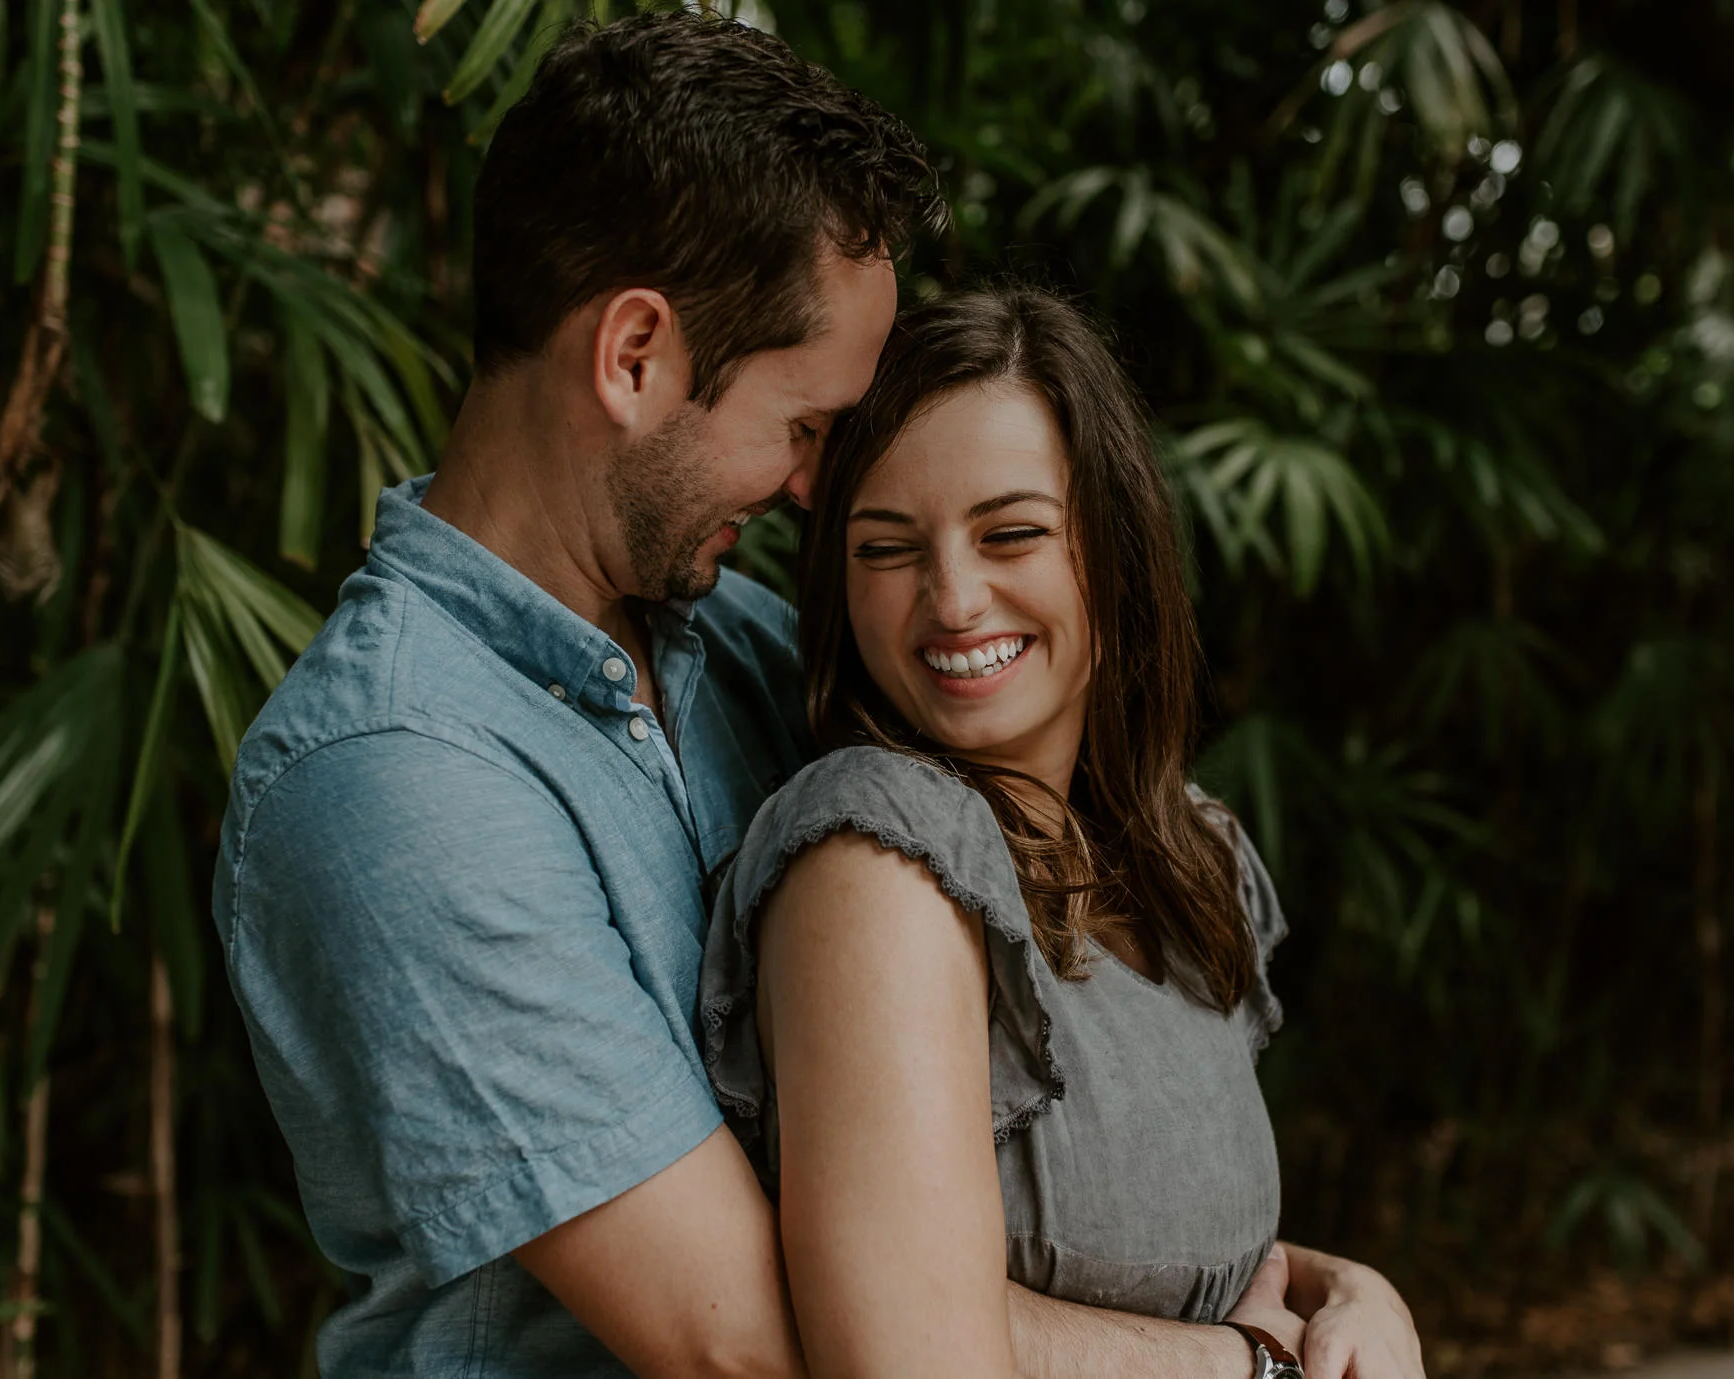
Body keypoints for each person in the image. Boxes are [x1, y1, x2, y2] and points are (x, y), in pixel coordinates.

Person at [215, 10, 1413, 1377]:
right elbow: (768, 1341)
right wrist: (1245, 1360)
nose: (811, 488)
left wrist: (1330, 1288)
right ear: (633, 355)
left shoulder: (742, 648)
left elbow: (978, 1190)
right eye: (804, 426)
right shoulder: (396, 777)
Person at [698, 285, 1427, 1379]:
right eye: (886, 549)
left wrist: (1350, 1291)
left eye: (1011, 533)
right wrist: (1254, 1367)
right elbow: (913, 1356)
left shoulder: (1192, 853)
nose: (953, 599)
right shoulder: (877, 854)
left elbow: (1166, 1255)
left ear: (1114, 544)